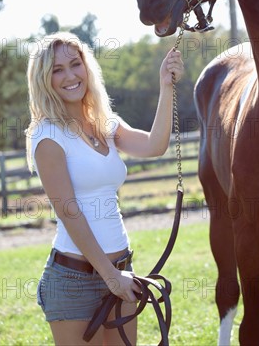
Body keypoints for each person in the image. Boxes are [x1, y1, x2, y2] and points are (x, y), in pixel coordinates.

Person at [25, 31, 184, 346]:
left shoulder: (105, 123)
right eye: (57, 70)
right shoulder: (47, 136)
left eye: (75, 64)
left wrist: (166, 86)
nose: (70, 75)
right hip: (75, 279)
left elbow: (154, 145)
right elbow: (70, 213)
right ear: (44, 79)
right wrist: (110, 277)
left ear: (87, 67)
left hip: (122, 267)